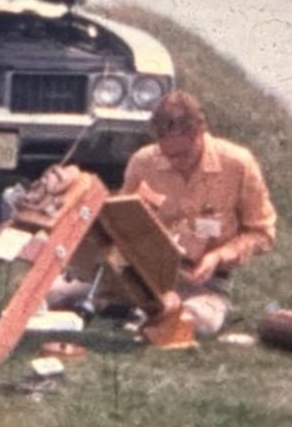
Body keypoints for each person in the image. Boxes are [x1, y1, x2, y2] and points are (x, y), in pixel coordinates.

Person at [119, 90, 277, 336]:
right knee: (59, 291)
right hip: (146, 275)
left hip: (206, 284)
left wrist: (218, 257)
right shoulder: (143, 162)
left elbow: (262, 233)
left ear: (201, 134)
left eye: (183, 154)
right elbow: (120, 220)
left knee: (195, 321)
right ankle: (139, 309)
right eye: (168, 155)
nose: (176, 163)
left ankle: (150, 315)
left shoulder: (238, 164)